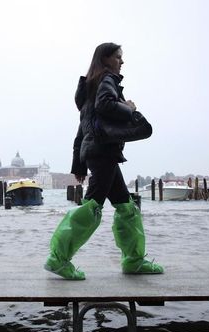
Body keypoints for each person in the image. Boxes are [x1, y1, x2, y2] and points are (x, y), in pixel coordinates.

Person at [44, 43, 163, 280]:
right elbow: (106, 104)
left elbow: (82, 131)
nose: (122, 62)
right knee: (92, 207)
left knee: (125, 206)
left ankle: (134, 261)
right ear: (106, 59)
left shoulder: (91, 85)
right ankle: (58, 258)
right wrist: (128, 107)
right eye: (119, 57)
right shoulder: (107, 80)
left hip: (98, 151)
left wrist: (78, 165)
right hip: (104, 151)